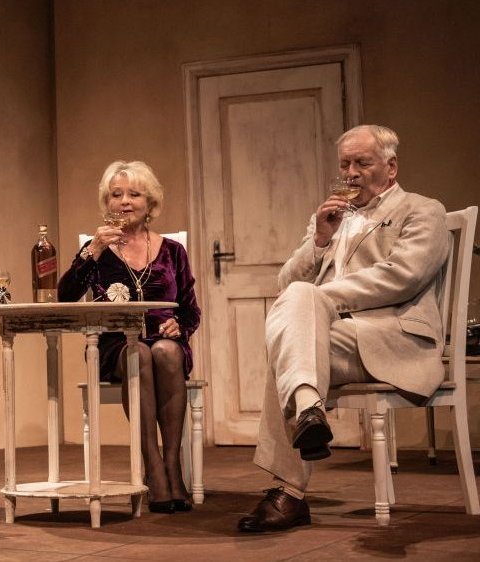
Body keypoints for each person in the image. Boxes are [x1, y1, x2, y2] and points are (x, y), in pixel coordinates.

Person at [237, 124, 449, 532]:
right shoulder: (334, 217)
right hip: (337, 337)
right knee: (293, 327)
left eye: (362, 163)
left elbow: (403, 276)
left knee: (288, 340)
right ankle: (309, 409)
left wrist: (327, 296)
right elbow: (285, 285)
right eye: (345, 164)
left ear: (391, 167)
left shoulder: (423, 209)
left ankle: (288, 491)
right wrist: (319, 238)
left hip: (393, 335)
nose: (350, 173)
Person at [58, 160, 201, 512]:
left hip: (164, 341)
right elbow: (65, 296)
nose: (124, 201)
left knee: (165, 352)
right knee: (140, 353)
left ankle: (172, 466)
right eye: (116, 195)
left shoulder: (172, 251)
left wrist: (180, 326)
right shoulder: (97, 250)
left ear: (149, 202)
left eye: (134, 194)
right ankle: (152, 465)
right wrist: (90, 253)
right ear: (107, 203)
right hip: (114, 343)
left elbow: (190, 308)